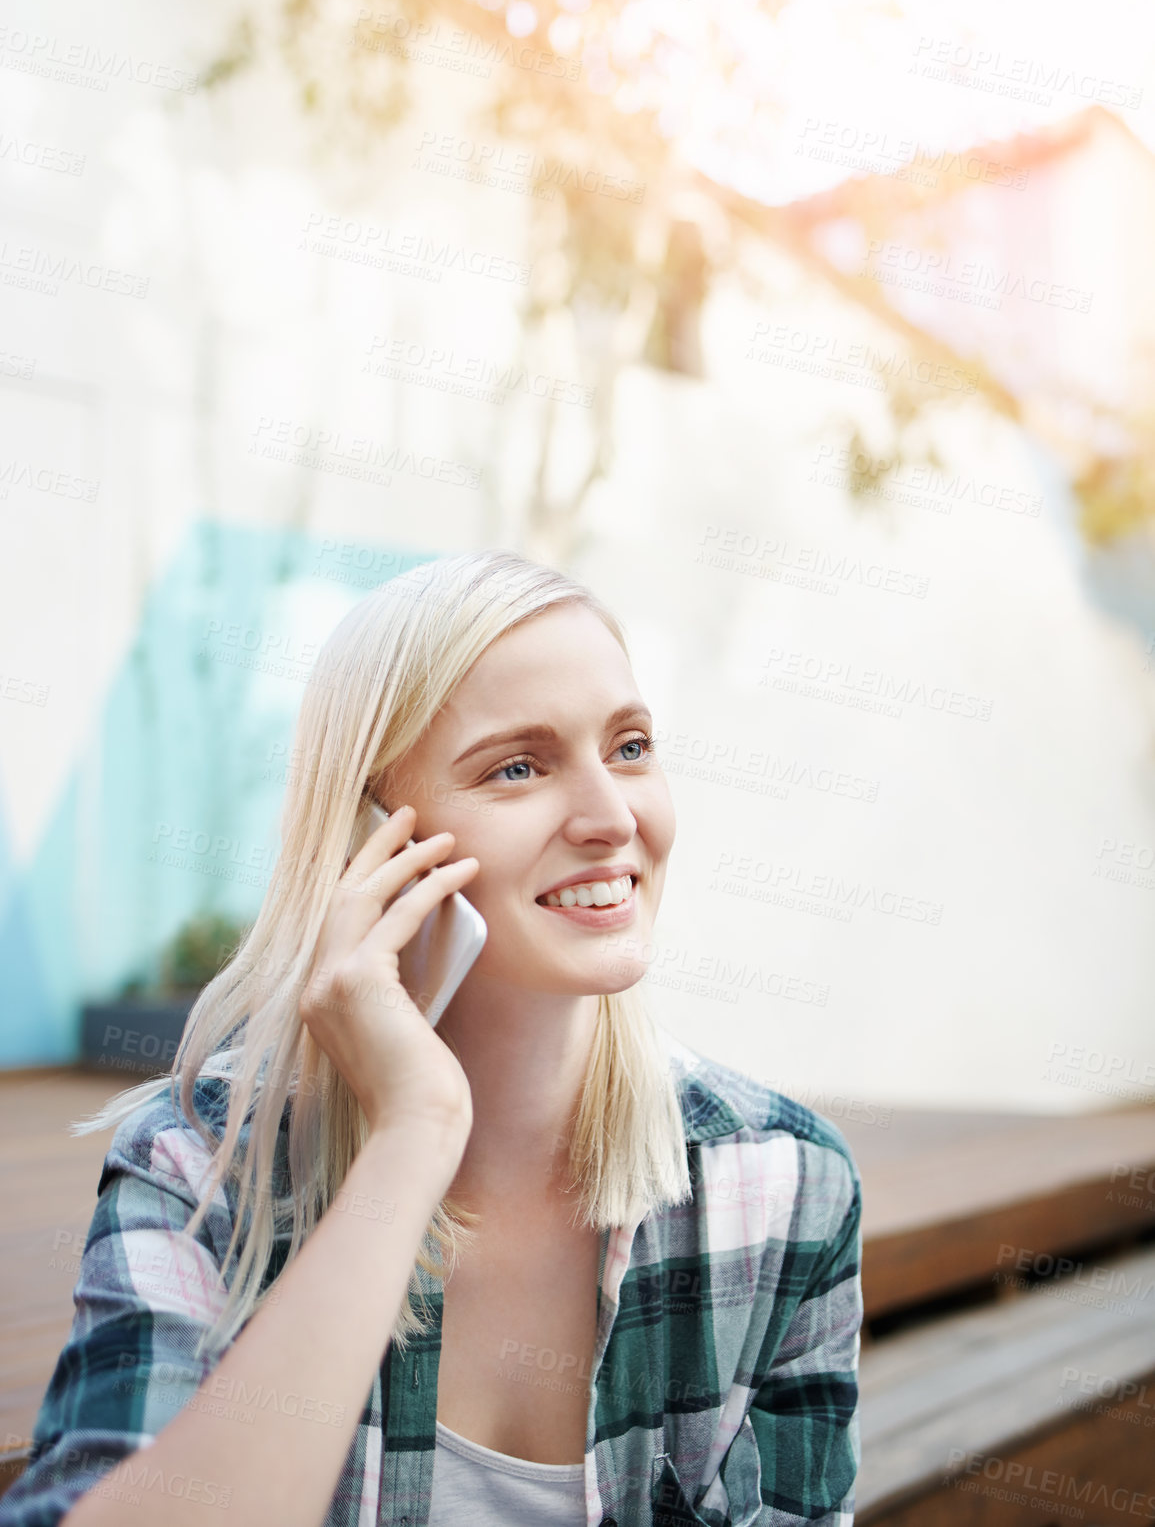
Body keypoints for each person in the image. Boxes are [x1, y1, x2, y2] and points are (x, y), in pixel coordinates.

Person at [0, 548, 862, 1527]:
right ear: (373, 835)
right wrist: (414, 1130)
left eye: (629, 747)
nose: (611, 817)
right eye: (519, 768)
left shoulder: (786, 1185)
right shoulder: (200, 1167)